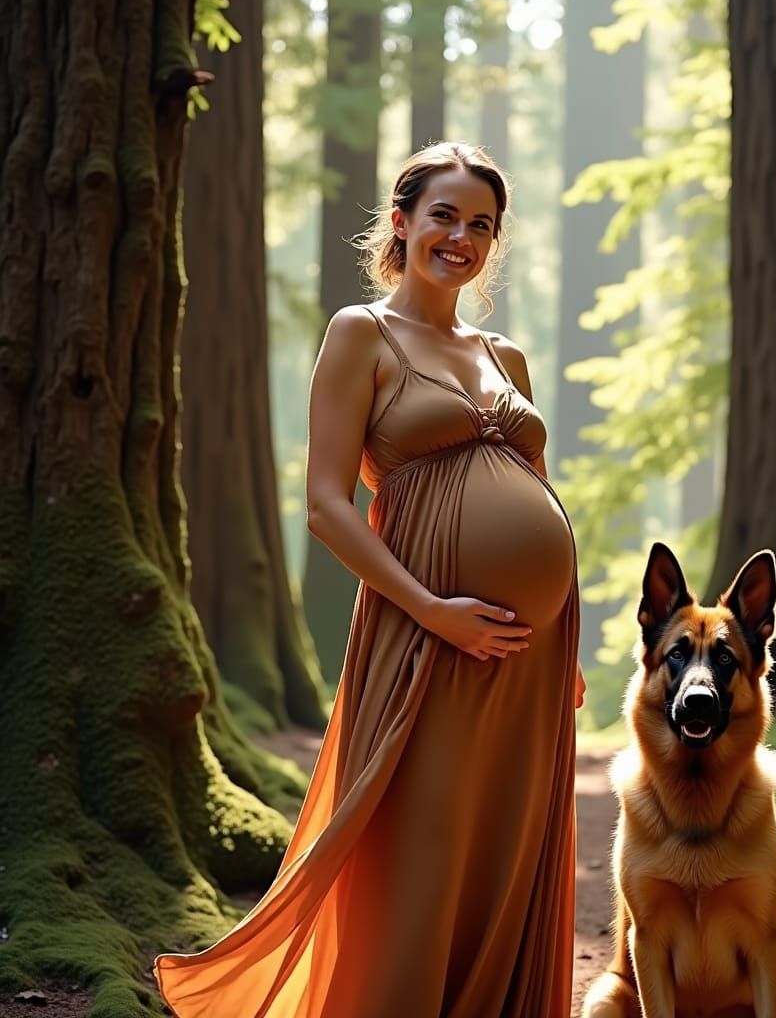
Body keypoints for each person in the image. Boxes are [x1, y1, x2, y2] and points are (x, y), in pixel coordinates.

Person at [154, 141, 585, 1017]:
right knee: (420, 852)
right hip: (425, 635)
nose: (460, 237)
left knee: (507, 850)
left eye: (480, 225)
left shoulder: (507, 356)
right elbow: (326, 505)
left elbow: (538, 491)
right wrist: (433, 610)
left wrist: (564, 634)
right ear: (401, 221)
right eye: (443, 216)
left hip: (529, 656)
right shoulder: (363, 334)